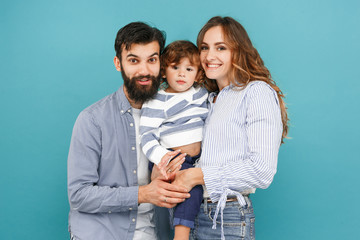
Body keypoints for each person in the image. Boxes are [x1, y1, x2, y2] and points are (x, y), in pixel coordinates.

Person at [67, 22, 190, 240]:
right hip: (102, 234)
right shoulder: (92, 120)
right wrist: (143, 194)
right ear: (118, 63)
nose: (144, 70)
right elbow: (79, 195)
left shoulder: (179, 115)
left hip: (156, 233)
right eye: (133, 60)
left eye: (151, 60)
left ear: (160, 63)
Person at [172, 16, 289, 240]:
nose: (209, 56)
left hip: (226, 218)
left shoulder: (256, 92)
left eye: (221, 47)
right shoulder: (205, 99)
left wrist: (198, 176)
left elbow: (262, 170)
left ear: (239, 51)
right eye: (204, 48)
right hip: (187, 213)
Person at [140, 40, 208, 240]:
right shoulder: (157, 101)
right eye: (175, 67)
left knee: (198, 191)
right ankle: (181, 236)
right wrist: (164, 158)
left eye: (189, 68)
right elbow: (147, 135)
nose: (181, 74)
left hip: (201, 159)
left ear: (197, 73)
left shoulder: (201, 93)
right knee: (188, 192)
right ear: (163, 71)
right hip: (175, 158)